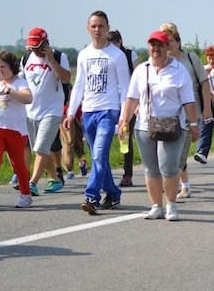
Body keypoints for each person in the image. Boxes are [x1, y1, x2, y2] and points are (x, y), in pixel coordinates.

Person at [117, 30, 199, 221]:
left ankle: (171, 205)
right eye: (152, 44)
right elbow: (132, 98)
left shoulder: (179, 70)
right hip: (145, 125)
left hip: (172, 125)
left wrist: (194, 123)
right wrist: (124, 121)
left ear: (167, 47)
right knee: (151, 168)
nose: (156, 48)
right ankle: (156, 206)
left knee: (169, 167)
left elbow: (188, 100)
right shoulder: (142, 70)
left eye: (160, 45)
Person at [64, 11, 130, 215]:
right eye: (93, 26)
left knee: (99, 155)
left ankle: (92, 196)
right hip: (89, 112)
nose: (97, 30)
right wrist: (71, 113)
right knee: (97, 157)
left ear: (107, 28)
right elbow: (78, 85)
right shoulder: (84, 54)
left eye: (101, 26)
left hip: (108, 111)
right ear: (88, 28)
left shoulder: (117, 55)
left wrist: (124, 117)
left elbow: (125, 88)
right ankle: (113, 193)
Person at [161, 22, 213, 199]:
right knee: (171, 152)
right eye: (164, 42)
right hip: (167, 114)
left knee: (180, 152)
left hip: (191, 113)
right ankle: (184, 185)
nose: (167, 45)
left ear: (178, 41)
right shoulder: (160, 62)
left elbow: (204, 83)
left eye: (170, 41)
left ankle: (173, 186)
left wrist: (207, 108)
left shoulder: (190, 58)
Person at [20, 28, 71, 195]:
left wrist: (51, 60)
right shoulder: (26, 59)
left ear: (46, 44)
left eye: (38, 47)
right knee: (39, 149)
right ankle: (56, 179)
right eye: (32, 47)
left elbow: (66, 78)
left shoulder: (59, 56)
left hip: (52, 110)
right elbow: (20, 82)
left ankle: (32, 183)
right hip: (31, 111)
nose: (35, 51)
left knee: (41, 147)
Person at [0, 50, 34, 208]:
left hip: (16, 131)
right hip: (0, 129)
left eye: (3, 67)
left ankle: (25, 195)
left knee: (18, 164)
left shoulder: (20, 83)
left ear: (12, 66)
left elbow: (28, 98)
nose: (0, 70)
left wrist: (10, 91)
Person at [107, 30, 139, 187]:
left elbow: (139, 76)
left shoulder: (129, 55)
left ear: (120, 42)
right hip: (110, 101)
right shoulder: (105, 56)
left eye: (114, 44)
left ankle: (127, 174)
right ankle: (104, 173)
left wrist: (138, 101)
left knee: (125, 137)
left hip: (128, 102)